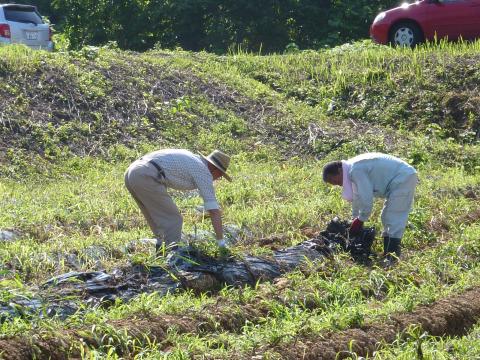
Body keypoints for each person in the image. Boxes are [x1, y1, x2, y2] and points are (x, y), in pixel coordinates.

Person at [124, 149, 231, 253]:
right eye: (220, 176)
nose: (217, 179)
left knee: (157, 220)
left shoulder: (193, 159)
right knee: (174, 220)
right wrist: (221, 242)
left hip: (133, 171)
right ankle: (171, 258)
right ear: (215, 169)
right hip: (146, 175)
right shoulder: (203, 171)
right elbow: (213, 211)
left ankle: (160, 258)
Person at [322, 153, 418, 265]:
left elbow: (366, 197)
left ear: (339, 170)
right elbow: (357, 196)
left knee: (393, 216)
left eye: (332, 179)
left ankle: (392, 258)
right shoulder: (351, 170)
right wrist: (354, 217)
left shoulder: (355, 170)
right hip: (398, 180)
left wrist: (361, 219)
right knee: (386, 217)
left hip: (403, 178)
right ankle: (388, 254)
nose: (334, 184)